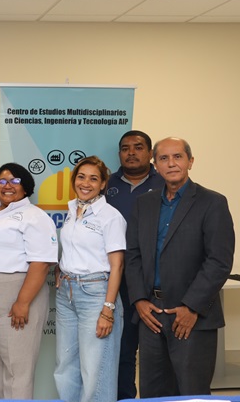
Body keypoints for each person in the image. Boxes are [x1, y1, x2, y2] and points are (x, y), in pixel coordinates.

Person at [125, 137, 235, 397]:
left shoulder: (213, 202)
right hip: (150, 314)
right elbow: (133, 255)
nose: (171, 163)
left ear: (190, 162)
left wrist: (192, 307)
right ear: (156, 165)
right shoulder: (144, 203)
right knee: (153, 393)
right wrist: (139, 300)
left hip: (191, 317)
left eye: (177, 157)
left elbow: (219, 261)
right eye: (163, 158)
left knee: (191, 393)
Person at [0, 162, 57, 399]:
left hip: (16, 293)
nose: (7, 186)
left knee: (18, 368)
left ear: (25, 186)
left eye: (14, 181)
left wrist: (23, 302)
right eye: (2, 181)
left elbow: (41, 263)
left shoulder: (33, 216)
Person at [54, 156, 125, 402]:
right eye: (81, 177)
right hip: (67, 293)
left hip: (96, 294)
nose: (86, 183)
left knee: (96, 368)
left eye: (94, 178)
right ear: (74, 180)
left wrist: (108, 308)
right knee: (65, 364)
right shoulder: (73, 209)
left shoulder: (110, 216)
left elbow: (117, 265)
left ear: (103, 183)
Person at [105, 130, 164, 400]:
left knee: (157, 349)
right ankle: (124, 397)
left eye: (138, 147)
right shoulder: (106, 184)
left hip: (156, 280)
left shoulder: (166, 183)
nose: (131, 152)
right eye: (125, 148)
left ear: (150, 153)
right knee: (122, 349)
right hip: (117, 279)